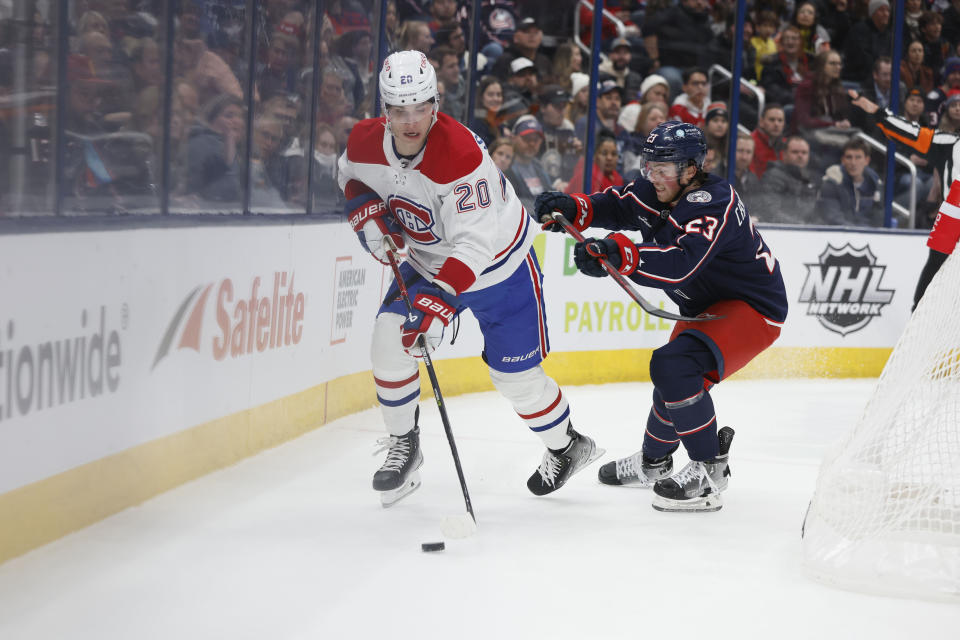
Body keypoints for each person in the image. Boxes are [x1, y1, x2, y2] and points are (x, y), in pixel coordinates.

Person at [337, 51, 602, 503]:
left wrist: (436, 304)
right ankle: (405, 446)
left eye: (420, 107)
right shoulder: (363, 142)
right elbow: (349, 176)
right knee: (388, 343)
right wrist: (365, 212)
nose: (410, 121)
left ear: (435, 104)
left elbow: (474, 247)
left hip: (502, 266)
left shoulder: (458, 155)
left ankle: (567, 446)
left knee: (514, 379)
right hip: (427, 262)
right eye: (399, 110)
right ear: (384, 111)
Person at [533, 121, 787, 511]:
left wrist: (621, 254)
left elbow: (683, 263)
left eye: (663, 168)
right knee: (672, 380)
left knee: (675, 367)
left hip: (750, 306)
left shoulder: (713, 201)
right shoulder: (654, 188)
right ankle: (654, 463)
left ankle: (709, 471)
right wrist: (574, 207)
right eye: (649, 166)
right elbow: (616, 204)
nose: (653, 176)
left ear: (690, 169)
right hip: (705, 304)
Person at [850, 90, 960, 304]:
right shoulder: (948, 143)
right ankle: (919, 322)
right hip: (953, 218)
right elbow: (911, 132)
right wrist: (879, 113)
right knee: (935, 269)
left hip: (950, 219)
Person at [816, 137, 883, 226]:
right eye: (849, 157)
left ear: (867, 160)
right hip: (835, 235)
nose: (853, 162)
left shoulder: (875, 183)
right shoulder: (832, 181)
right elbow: (832, 218)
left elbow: (878, 218)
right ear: (843, 160)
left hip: (866, 236)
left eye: (858, 157)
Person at [758, 135, 821, 223]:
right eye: (795, 152)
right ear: (784, 154)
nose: (800, 156)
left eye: (804, 152)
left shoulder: (812, 179)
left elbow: (817, 212)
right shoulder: (773, 176)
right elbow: (770, 211)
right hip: (781, 231)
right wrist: (799, 225)